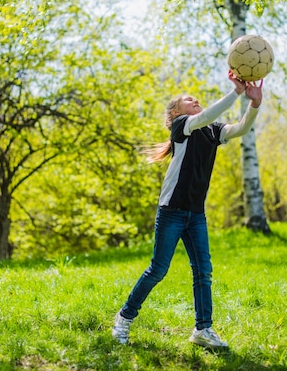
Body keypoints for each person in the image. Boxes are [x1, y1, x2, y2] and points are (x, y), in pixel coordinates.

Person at [112, 70, 264, 349]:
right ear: (175, 113)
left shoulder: (212, 130)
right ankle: (124, 317)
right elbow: (203, 117)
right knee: (158, 270)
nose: (194, 100)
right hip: (171, 210)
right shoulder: (182, 126)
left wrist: (254, 104)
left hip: (196, 213)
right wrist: (236, 93)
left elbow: (240, 128)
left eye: (195, 99)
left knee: (203, 270)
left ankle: (203, 330)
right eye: (187, 99)